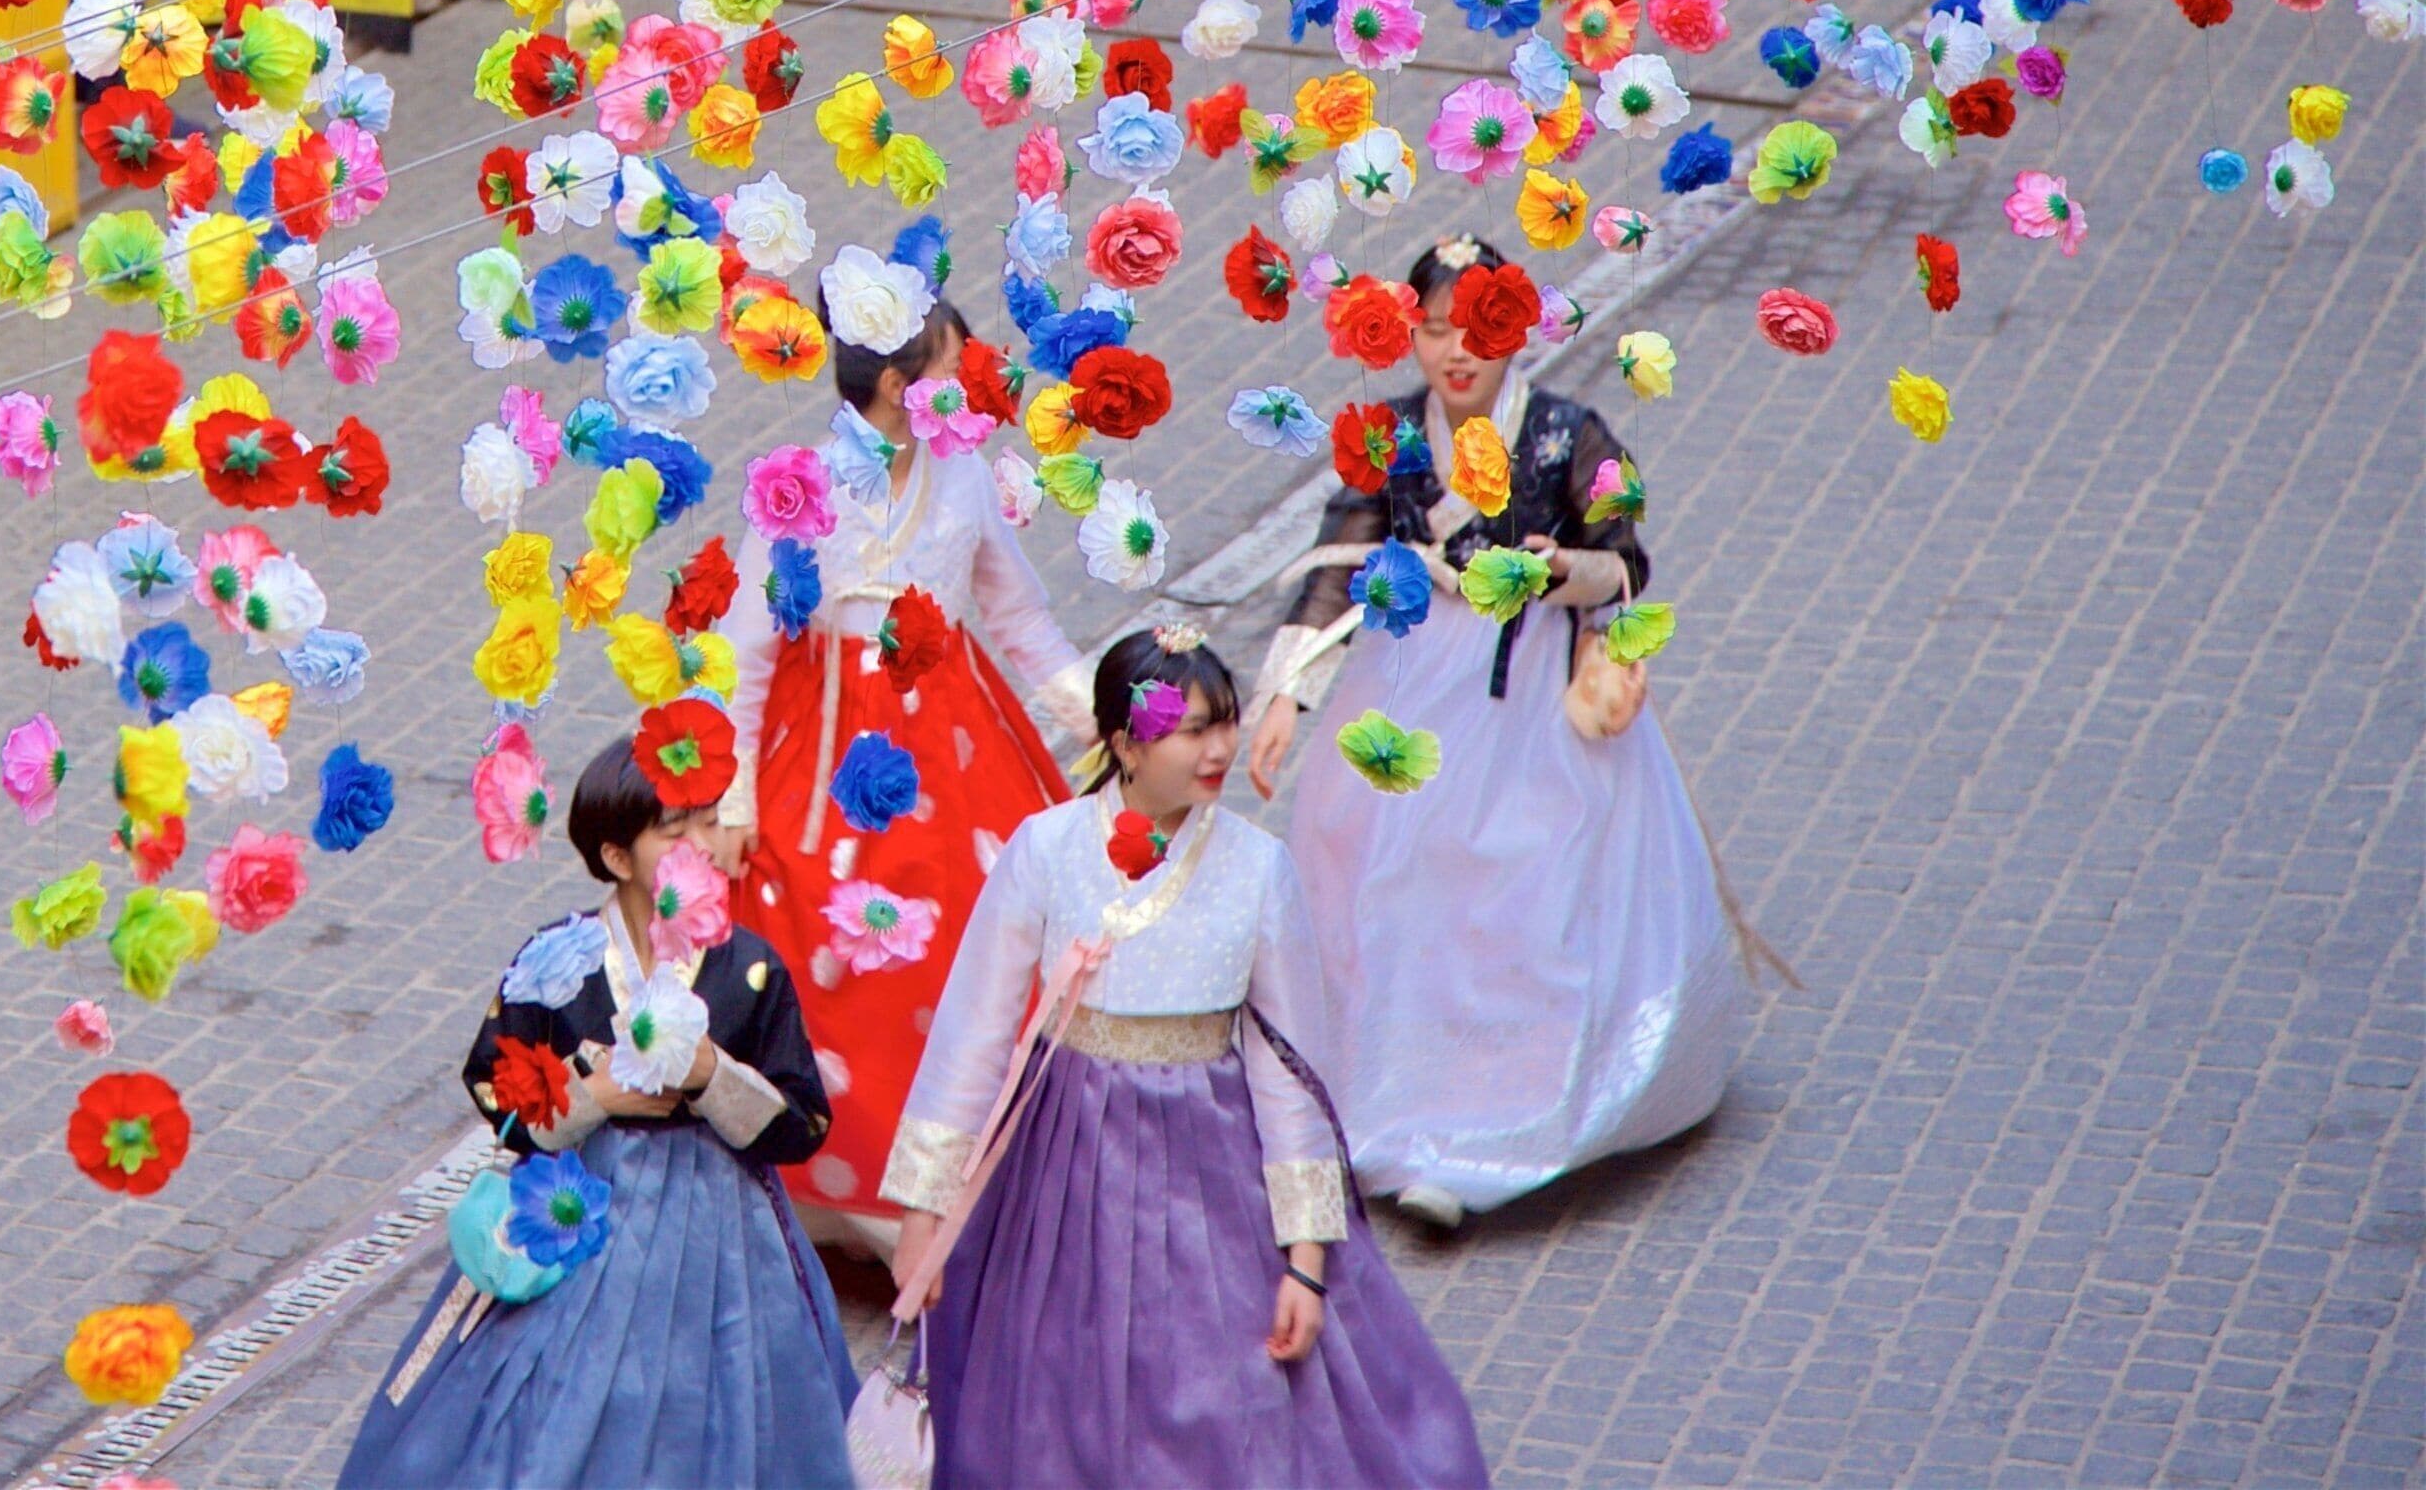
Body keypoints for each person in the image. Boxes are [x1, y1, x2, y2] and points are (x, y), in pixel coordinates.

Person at [885, 628, 1486, 1489]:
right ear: (1124, 743)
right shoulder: (1045, 851)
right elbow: (972, 1038)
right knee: (1060, 1376)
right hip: (1062, 1164)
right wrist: (922, 1219)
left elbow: (1291, 1074)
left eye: (1225, 724)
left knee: (1215, 1385)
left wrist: (1307, 1263)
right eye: (1190, 730)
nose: (1217, 751)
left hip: (1211, 1165)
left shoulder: (1258, 869)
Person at [1241, 234, 1744, 1227]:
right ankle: (1390, 1100)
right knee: (1377, 878)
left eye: (1477, 332)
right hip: (1408, 681)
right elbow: (1338, 561)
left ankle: (1493, 1128)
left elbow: (1626, 562)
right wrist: (1287, 697)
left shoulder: (1567, 435)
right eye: (1433, 333)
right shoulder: (1386, 437)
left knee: (1519, 889)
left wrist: (1562, 573)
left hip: (1527, 705)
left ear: (1515, 333)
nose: (1454, 354)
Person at [339, 740, 855, 1488]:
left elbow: (802, 1124)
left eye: (710, 825)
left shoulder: (749, 967)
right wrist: (594, 1100)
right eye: (675, 833)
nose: (701, 848)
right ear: (617, 857)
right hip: (582, 1207)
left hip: (722, 1226)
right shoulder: (558, 963)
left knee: (718, 1390)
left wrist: (713, 1074)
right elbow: (495, 1092)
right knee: (555, 1387)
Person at [711, 293, 1094, 1253]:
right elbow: (749, 648)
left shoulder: (962, 474)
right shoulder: (801, 487)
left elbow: (1018, 617)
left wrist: (1107, 719)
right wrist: (734, 792)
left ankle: (949, 1187)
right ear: (894, 385)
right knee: (827, 941)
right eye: (948, 367)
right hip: (829, 741)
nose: (966, 384)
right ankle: (834, 1190)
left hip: (956, 739)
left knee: (973, 932)